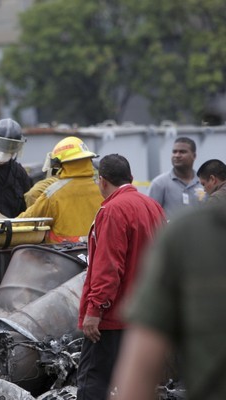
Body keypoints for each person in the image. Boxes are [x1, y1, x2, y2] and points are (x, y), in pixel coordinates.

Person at [110, 204, 226, 400]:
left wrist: (94, 309)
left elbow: (141, 371)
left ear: (102, 182)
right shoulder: (165, 215)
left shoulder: (191, 232)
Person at [76, 154, 166, 400]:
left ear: (102, 181)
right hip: (144, 315)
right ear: (131, 178)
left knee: (92, 382)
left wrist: (94, 311)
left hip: (113, 317)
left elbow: (108, 268)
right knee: (137, 385)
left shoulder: (112, 210)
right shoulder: (152, 206)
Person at [17, 136, 103, 243]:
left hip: (63, 256)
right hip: (96, 256)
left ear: (60, 163)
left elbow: (28, 220)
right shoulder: (103, 190)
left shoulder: (54, 193)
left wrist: (3, 226)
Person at [148, 137, 205, 218]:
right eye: (174, 152)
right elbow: (150, 216)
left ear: (194, 155)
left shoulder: (203, 183)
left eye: (182, 152)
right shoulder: (159, 183)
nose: (177, 155)